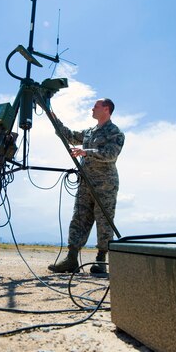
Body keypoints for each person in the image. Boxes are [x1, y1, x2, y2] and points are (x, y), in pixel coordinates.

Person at [49, 98, 125, 274]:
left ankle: (100, 261)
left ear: (106, 109)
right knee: (79, 218)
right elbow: (70, 136)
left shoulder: (115, 133)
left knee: (104, 220)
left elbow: (111, 155)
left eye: (96, 106)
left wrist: (86, 152)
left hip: (105, 184)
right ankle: (71, 259)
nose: (92, 109)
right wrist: (53, 118)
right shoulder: (90, 132)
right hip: (85, 183)